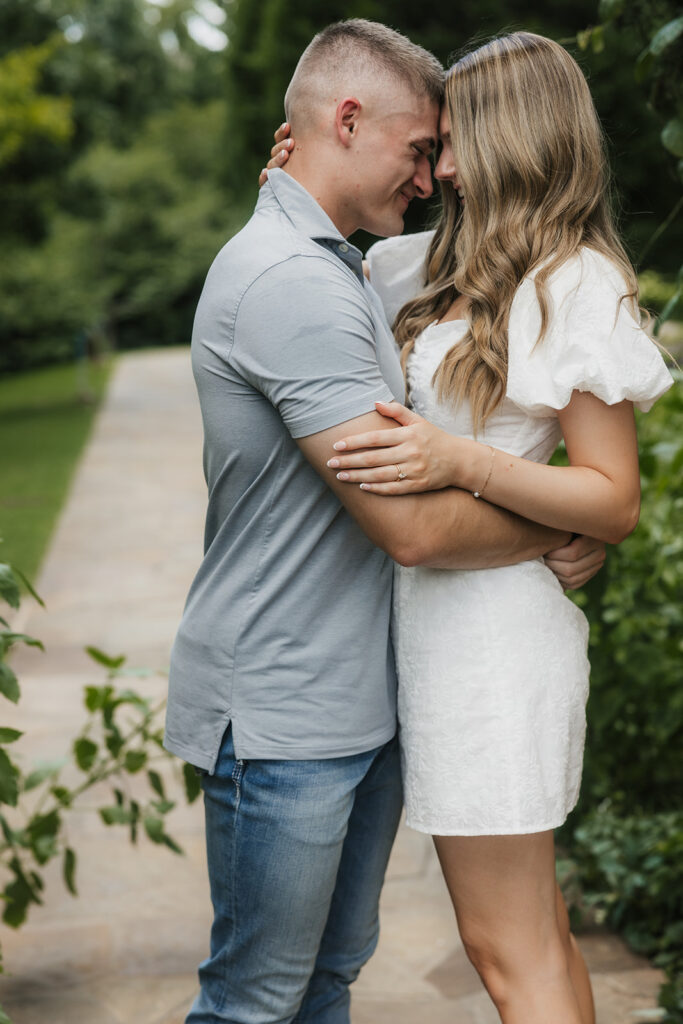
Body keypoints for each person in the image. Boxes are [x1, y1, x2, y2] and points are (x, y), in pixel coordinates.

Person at [166, 21, 609, 1024]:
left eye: (442, 150)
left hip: (370, 686)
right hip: (289, 702)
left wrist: (296, 190)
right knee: (256, 998)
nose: (431, 175)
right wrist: (550, 525)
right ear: (347, 121)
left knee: (329, 979)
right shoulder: (304, 279)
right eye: (419, 148)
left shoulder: (357, 266)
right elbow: (411, 532)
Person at [265, 30, 673, 1024]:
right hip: (436, 631)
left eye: (450, 144)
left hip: (491, 646)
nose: (436, 168)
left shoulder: (571, 284)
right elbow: (310, 268)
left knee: (506, 951)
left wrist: (463, 463)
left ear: (513, 141)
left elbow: (612, 497)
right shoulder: (416, 267)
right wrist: (287, 176)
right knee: (536, 934)